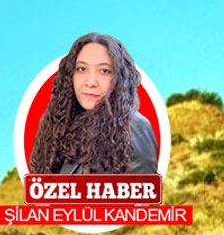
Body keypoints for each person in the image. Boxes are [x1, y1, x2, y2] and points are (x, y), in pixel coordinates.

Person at [29, 33, 159, 175]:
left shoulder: (135, 127)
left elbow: (145, 192)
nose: (90, 82)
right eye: (81, 69)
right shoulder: (58, 124)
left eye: (104, 71)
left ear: (119, 78)